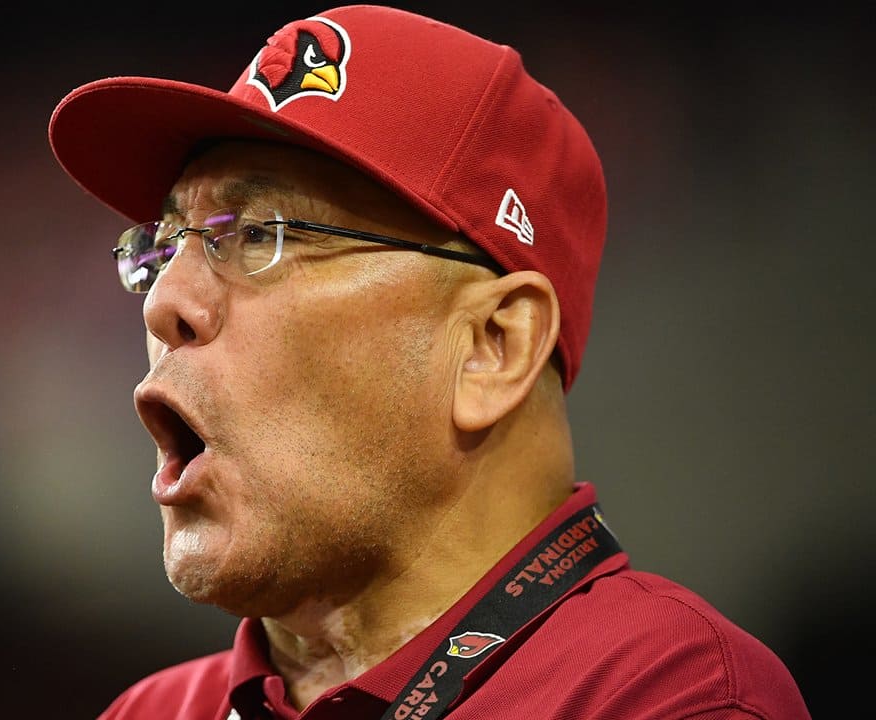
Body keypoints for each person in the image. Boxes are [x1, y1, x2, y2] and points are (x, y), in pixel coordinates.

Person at [47, 5, 812, 719]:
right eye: (162, 245)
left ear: (494, 347)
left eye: (258, 235)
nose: (164, 301)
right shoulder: (152, 711)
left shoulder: (668, 693)